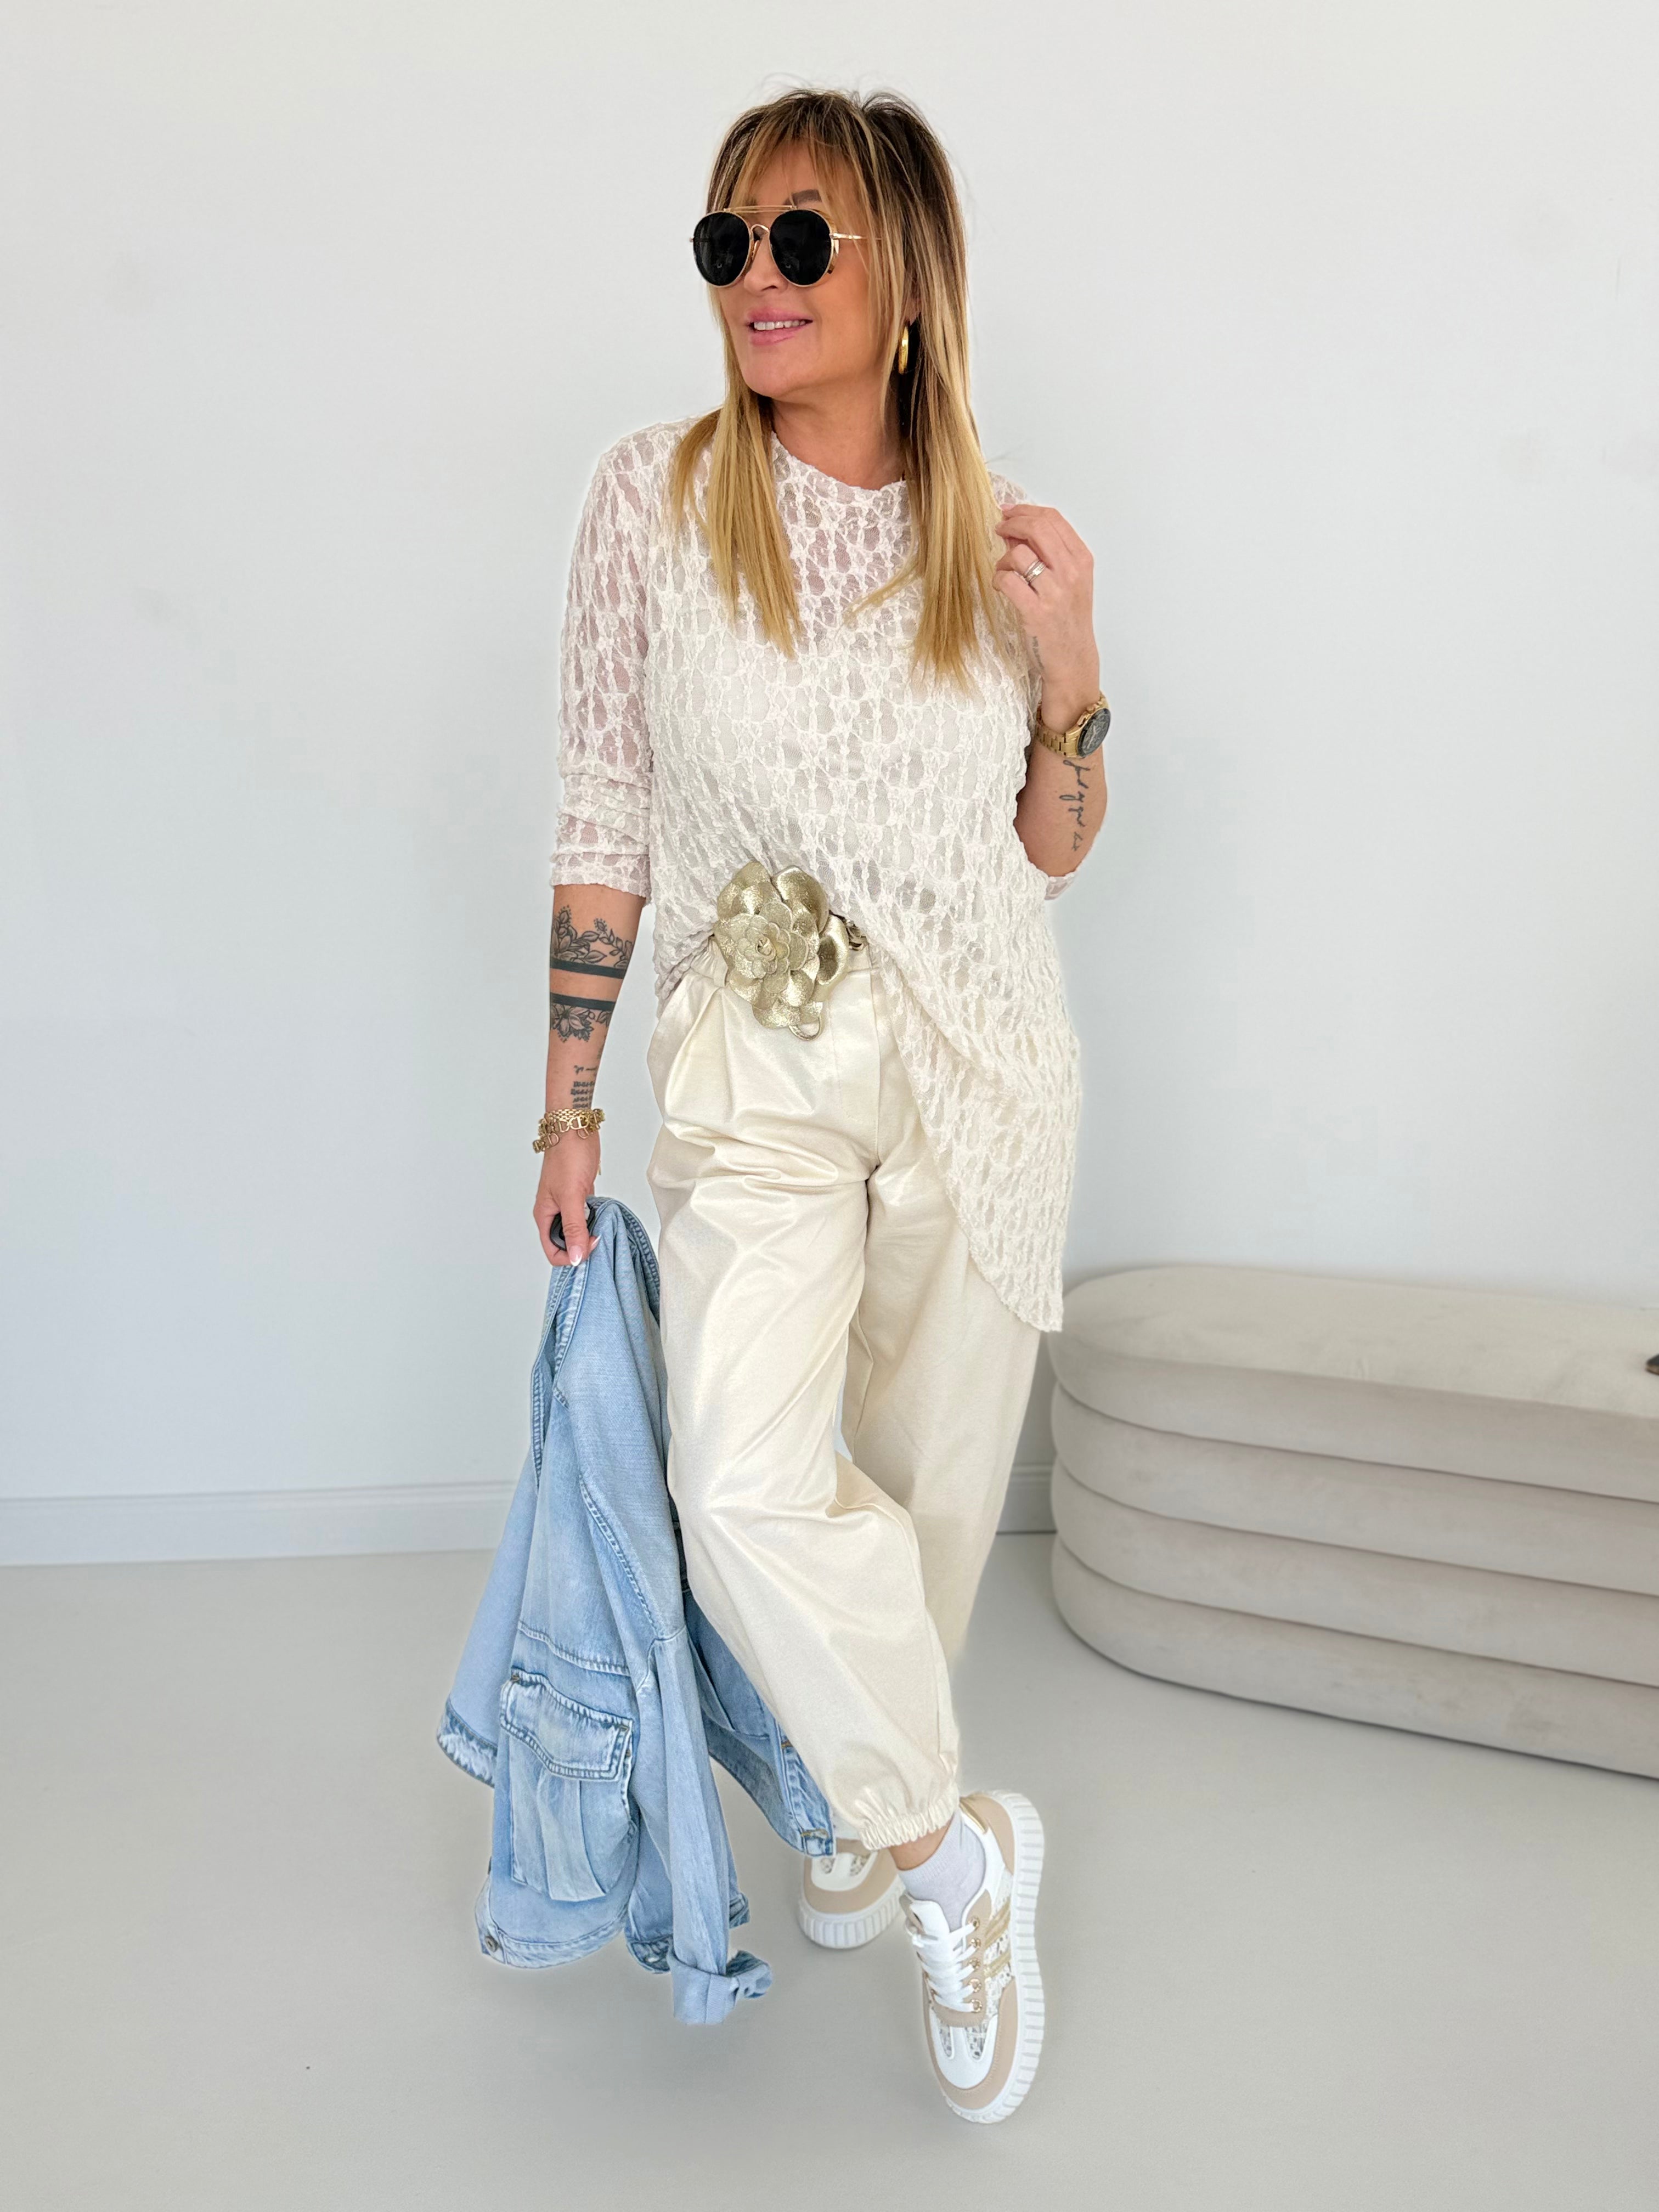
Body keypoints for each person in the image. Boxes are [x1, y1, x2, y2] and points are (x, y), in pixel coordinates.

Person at [531, 85, 1108, 2124]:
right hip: (752, 1059)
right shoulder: (652, 499)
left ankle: (863, 1810)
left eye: (798, 241)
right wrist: (566, 1108)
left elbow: (1048, 850)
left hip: (977, 1064)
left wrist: (1073, 680)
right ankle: (956, 1859)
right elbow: (604, 810)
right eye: (727, 243)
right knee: (748, 1480)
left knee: (926, 1503)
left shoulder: (999, 537)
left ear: (908, 282)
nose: (753, 281)